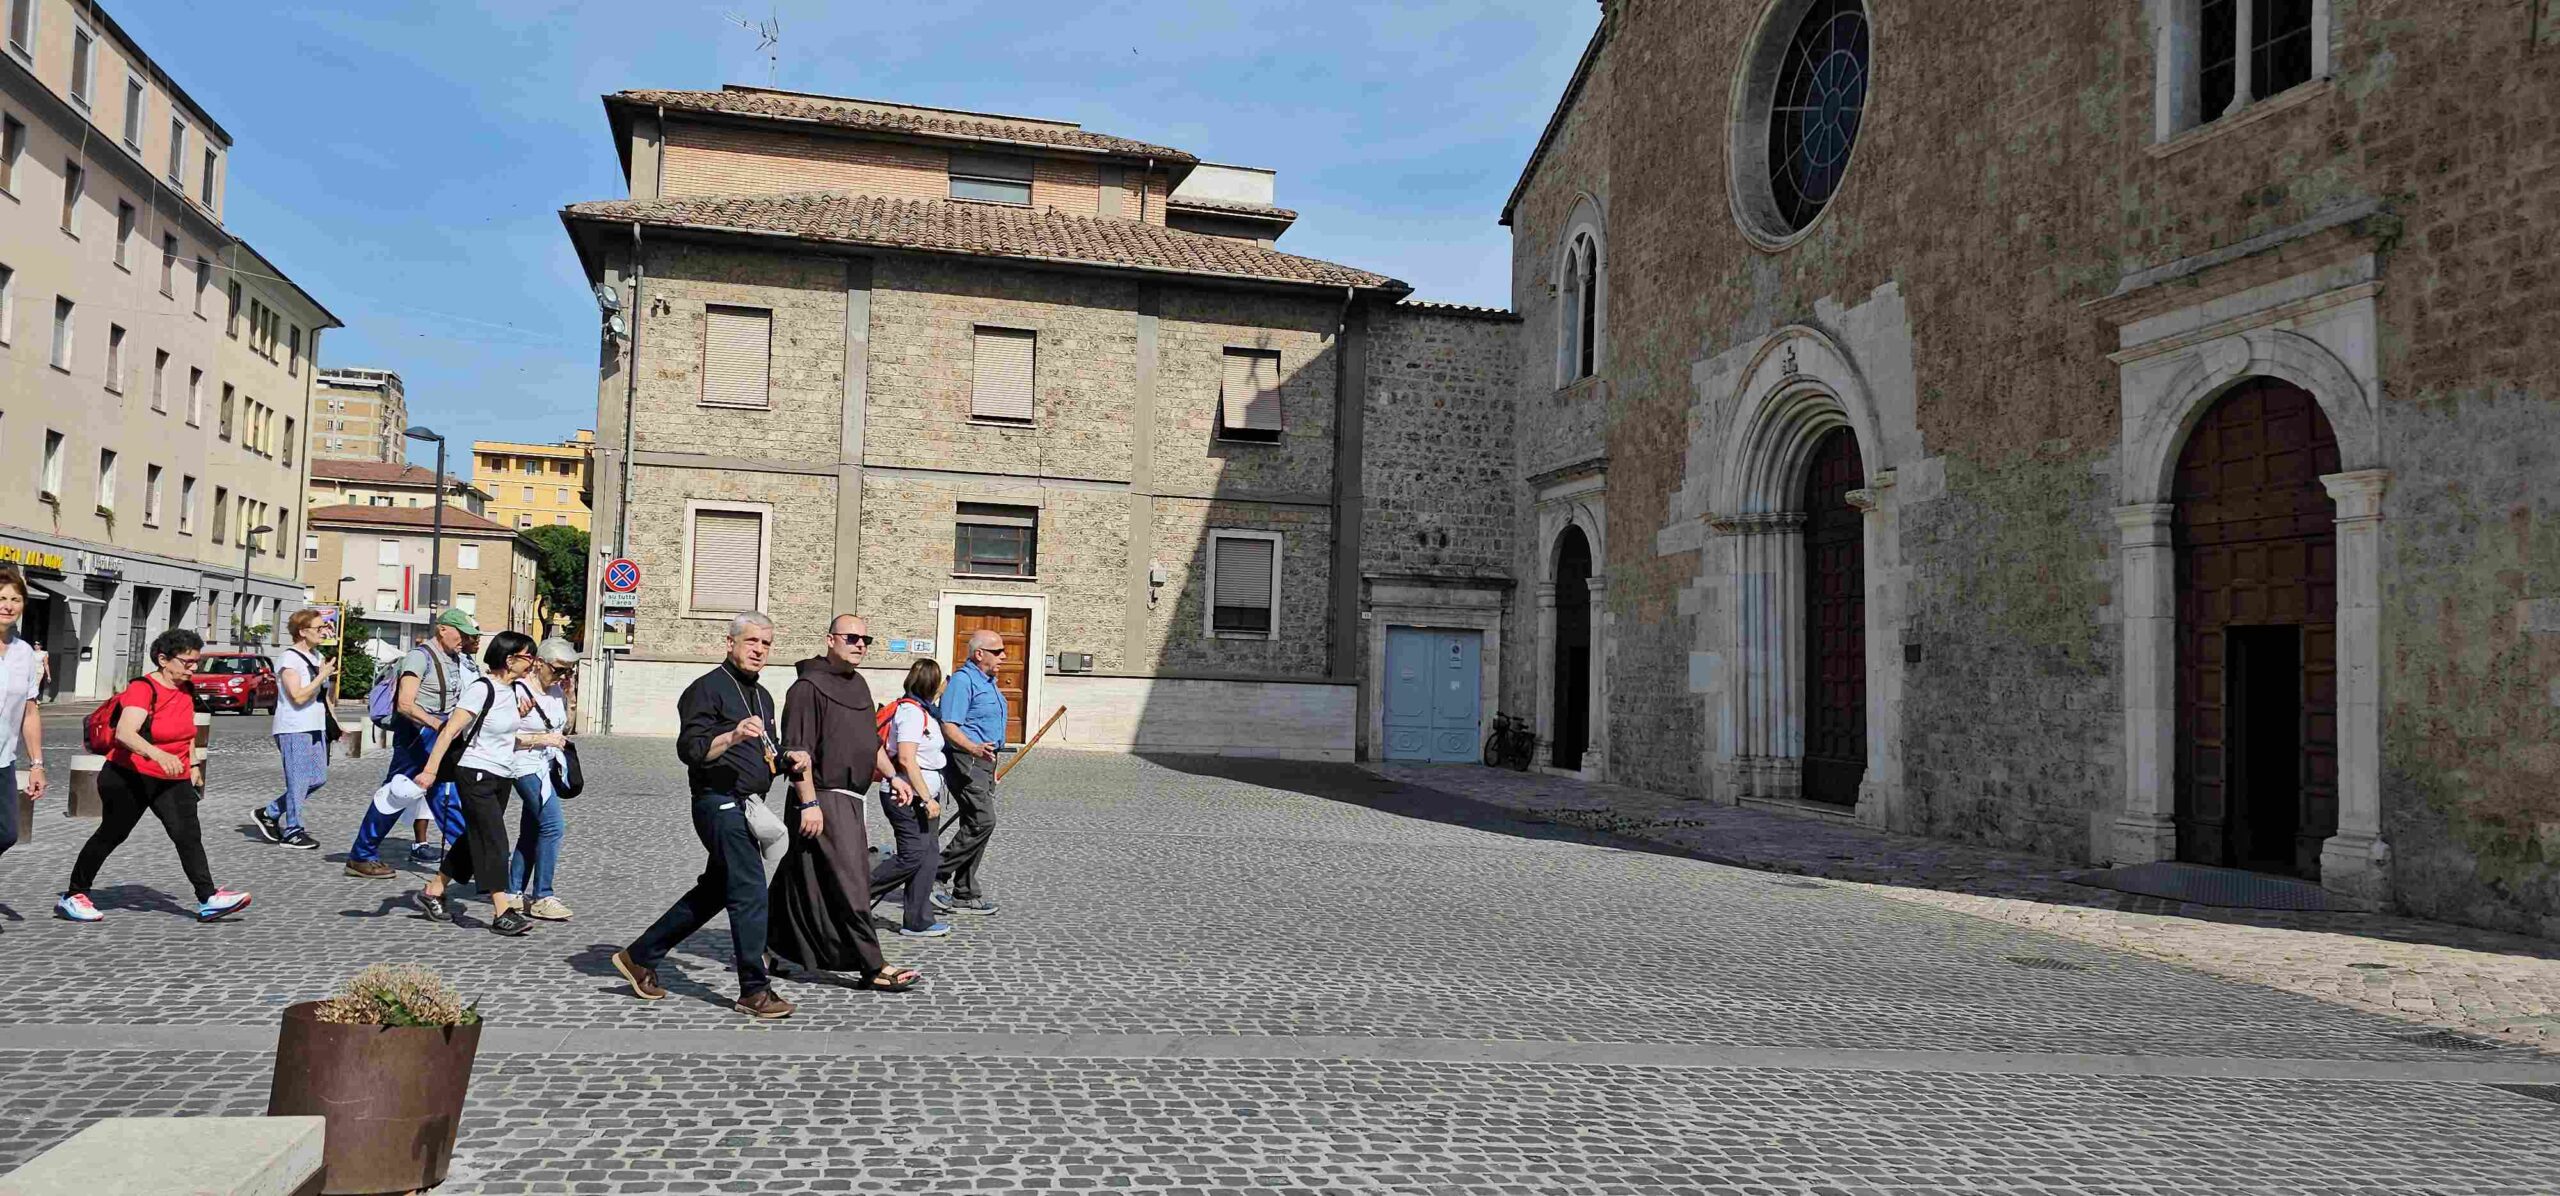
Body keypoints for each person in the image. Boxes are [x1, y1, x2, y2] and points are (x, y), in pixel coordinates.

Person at [613, 612, 798, 1019]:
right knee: (749, 890)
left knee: (715, 891)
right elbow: (691, 750)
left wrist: (787, 759)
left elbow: (765, 752)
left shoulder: (762, 695)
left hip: (749, 805)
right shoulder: (706, 689)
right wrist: (732, 735)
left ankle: (640, 956)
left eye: (766, 644)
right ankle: (754, 990)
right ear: (730, 643)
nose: (759, 650)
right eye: (751, 641)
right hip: (719, 802)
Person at [767, 614, 922, 989]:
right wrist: (808, 803)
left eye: (866, 639)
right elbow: (797, 752)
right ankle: (872, 965)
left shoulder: (859, 685)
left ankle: (769, 946)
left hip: (850, 798)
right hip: (822, 797)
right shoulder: (807, 688)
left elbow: (870, 741)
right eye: (851, 637)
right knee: (852, 881)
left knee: (800, 877)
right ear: (830, 639)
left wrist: (893, 775)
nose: (860, 644)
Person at [57, 628, 251, 923]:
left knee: (188, 835)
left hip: (172, 777)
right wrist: (158, 755)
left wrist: (193, 765)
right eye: (187, 662)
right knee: (113, 833)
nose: (193, 668)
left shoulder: (185, 689)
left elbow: (186, 731)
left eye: (196, 662)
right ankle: (74, 894)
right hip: (129, 775)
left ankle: (208, 898)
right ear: (163, 659)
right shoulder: (143, 688)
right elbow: (125, 733)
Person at [410, 630, 560, 936]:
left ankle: (434, 889)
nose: (533, 662)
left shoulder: (514, 691)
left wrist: (541, 738)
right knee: (495, 842)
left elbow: (508, 737)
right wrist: (430, 771)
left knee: (473, 837)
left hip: (501, 775)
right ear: (509, 659)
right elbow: (450, 731)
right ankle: (502, 911)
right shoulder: (481, 689)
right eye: (528, 656)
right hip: (475, 773)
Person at [344, 611, 477, 879]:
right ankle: (361, 854)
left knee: (444, 795)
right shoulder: (419, 657)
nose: (464, 639)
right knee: (397, 792)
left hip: (441, 733)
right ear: (442, 629)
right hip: (419, 734)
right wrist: (437, 725)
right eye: (460, 633)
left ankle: (473, 855)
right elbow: (405, 704)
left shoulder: (456, 658)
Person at [875, 657, 952, 938]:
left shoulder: (927, 711)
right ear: (932, 684)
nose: (945, 684)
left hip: (924, 793)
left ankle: (917, 920)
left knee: (928, 857)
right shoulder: (911, 713)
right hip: (906, 795)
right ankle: (853, 895)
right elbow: (907, 759)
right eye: (942, 679)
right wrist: (927, 799)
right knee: (912, 856)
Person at [936, 628, 1009, 915]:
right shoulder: (962, 682)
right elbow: (949, 725)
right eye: (997, 651)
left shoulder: (988, 682)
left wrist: (990, 764)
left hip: (985, 762)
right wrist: (973, 749)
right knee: (983, 821)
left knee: (976, 824)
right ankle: (934, 874)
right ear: (979, 654)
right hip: (966, 761)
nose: (1004, 656)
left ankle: (964, 892)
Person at [253, 608, 337, 851]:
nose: (323, 632)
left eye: (324, 627)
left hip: (316, 726)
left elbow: (323, 696)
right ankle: (293, 831)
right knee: (298, 780)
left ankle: (270, 812)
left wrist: (335, 722)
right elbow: (298, 697)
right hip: (294, 727)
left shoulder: (317, 655)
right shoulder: (289, 659)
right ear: (302, 631)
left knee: (318, 778)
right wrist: (321, 676)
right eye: (319, 628)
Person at [507, 637, 578, 921]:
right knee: (553, 825)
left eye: (569, 671)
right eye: (558, 669)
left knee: (532, 829)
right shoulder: (518, 691)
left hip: (547, 766)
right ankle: (542, 896)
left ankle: (513, 892)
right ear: (538, 663)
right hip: (523, 765)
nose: (562, 676)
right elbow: (504, 735)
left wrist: (571, 698)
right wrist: (541, 739)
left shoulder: (557, 691)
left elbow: (564, 728)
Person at [0, 566, 46, 886]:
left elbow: (30, 712)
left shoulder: (25, 653)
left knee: (6, 832)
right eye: (1, 598)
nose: (8, 606)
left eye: (15, 599)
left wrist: (37, 764)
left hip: (3, 760)